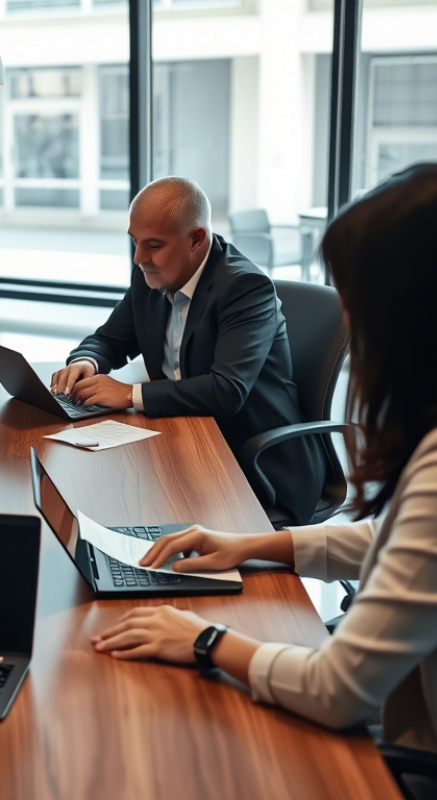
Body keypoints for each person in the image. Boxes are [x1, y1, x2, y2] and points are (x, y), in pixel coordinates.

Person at [90, 163, 437, 754]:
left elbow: (336, 688)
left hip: (413, 733)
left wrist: (203, 640)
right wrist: (255, 545)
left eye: (360, 300)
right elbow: (403, 538)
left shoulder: (243, 287)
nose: (351, 321)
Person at [51, 176, 326, 525]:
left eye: (153, 245)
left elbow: (227, 391)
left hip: (251, 460)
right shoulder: (151, 276)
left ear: (197, 238)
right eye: (134, 242)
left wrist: (129, 394)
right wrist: (86, 361)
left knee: (132, 505)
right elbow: (109, 339)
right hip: (185, 437)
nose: (139, 258)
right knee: (106, 492)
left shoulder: (245, 288)